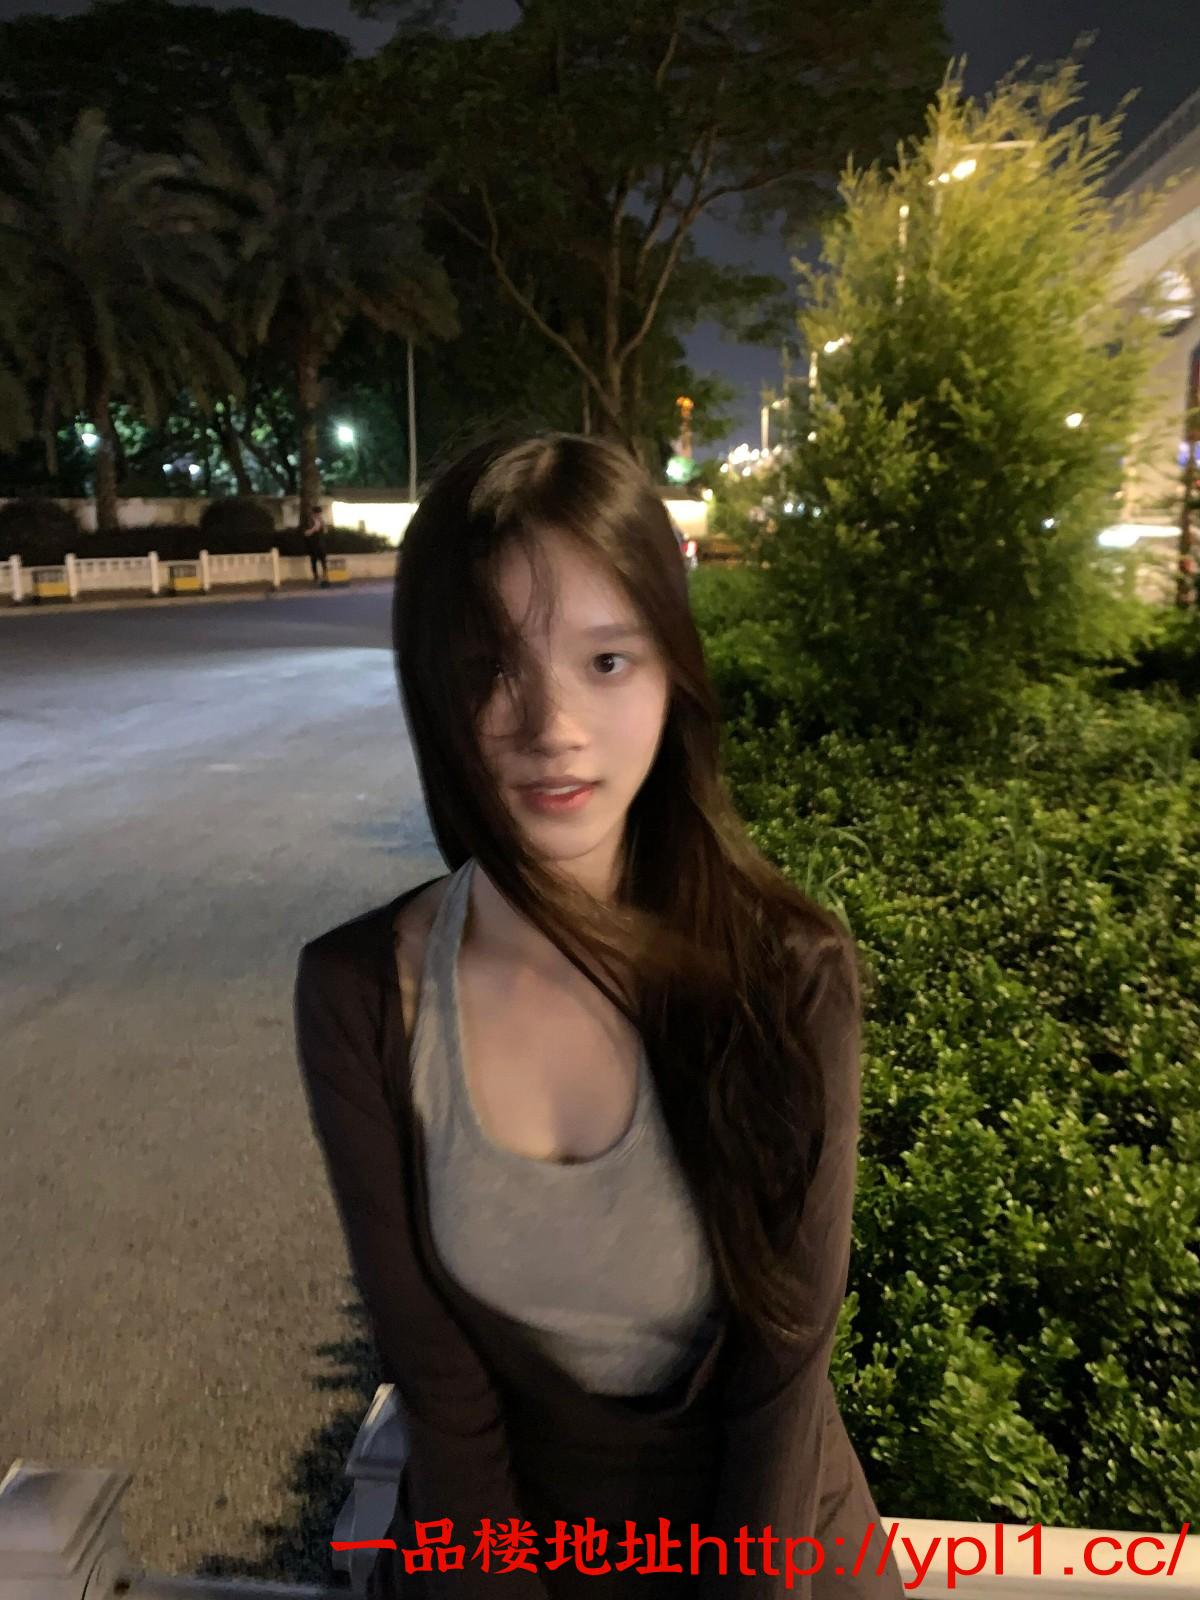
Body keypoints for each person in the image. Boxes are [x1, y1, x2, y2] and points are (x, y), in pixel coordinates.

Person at [293, 431, 902, 1600]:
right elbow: (442, 1391)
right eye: (491, 668)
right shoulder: (364, 993)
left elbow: (780, 1379)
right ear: (434, 689)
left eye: (607, 660)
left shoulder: (790, 974)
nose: (552, 724)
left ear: (674, 674)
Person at [303, 504, 330, 586]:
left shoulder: (321, 520)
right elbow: (306, 533)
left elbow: (325, 531)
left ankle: (325, 577)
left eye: (320, 514)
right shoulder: (308, 521)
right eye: (317, 514)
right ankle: (316, 577)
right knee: (314, 562)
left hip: (321, 545)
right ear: (313, 513)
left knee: (324, 561)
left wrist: (323, 525)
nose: (318, 515)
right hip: (312, 545)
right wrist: (314, 528)